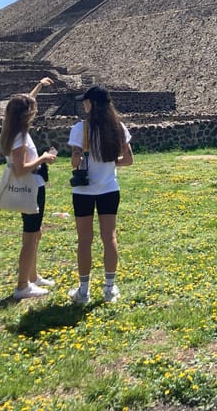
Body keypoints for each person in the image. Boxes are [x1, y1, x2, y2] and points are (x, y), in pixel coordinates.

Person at [67, 85, 133, 304]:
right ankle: (109, 288)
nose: (83, 105)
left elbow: (75, 163)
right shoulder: (118, 128)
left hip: (84, 191)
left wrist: (78, 157)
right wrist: (110, 163)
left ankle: (84, 290)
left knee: (85, 240)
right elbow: (128, 160)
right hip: (109, 189)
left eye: (85, 101)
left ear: (92, 104)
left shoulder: (80, 129)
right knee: (109, 237)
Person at [0, 77, 58, 301]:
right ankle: (23, 285)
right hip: (31, 185)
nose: (35, 110)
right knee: (30, 237)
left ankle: (32, 275)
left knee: (36, 232)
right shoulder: (20, 137)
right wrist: (44, 158)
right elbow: (21, 168)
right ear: (26, 115)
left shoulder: (11, 127)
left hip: (34, 186)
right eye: (32, 109)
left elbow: (26, 101)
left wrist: (39, 86)